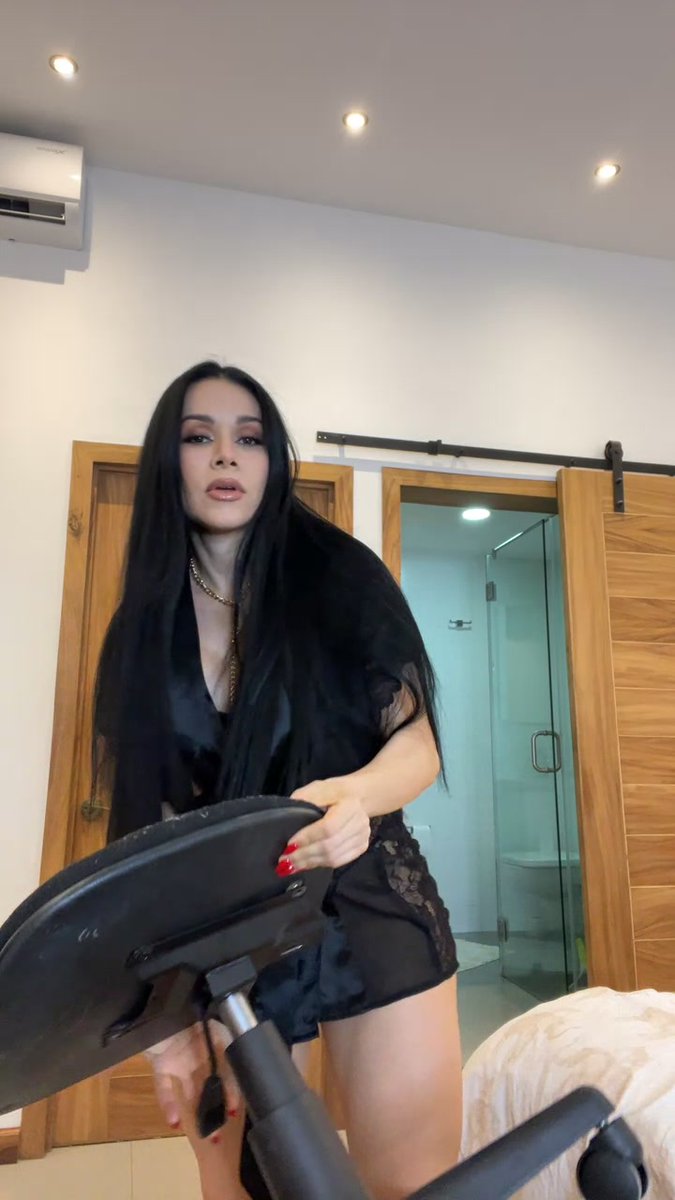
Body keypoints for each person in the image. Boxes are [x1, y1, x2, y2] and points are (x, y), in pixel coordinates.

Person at [95, 361, 463, 1200]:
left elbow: (417, 744)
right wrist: (162, 1019)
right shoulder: (141, 630)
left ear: (272, 461)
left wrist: (357, 795)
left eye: (250, 438)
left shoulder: (338, 575)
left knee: (413, 1184)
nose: (226, 455)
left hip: (366, 888)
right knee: (244, 1184)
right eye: (199, 436)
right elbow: (145, 835)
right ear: (168, 460)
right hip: (227, 928)